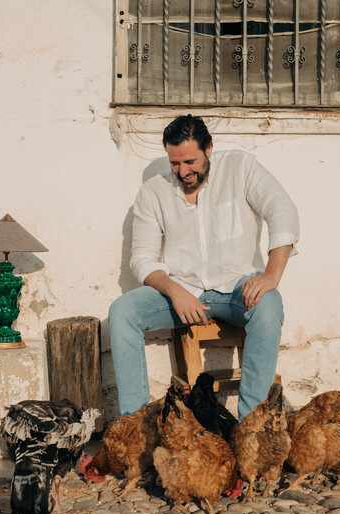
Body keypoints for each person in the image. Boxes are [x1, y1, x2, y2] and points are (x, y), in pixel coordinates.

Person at [108, 115, 300, 420]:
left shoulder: (240, 167)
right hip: (182, 291)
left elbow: (283, 212)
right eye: (174, 163)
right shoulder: (153, 192)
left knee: (269, 306)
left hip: (236, 289)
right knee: (122, 312)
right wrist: (174, 291)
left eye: (190, 161)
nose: (183, 171)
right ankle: (137, 427)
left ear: (208, 149)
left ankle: (250, 427)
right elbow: (141, 258)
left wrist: (271, 275)